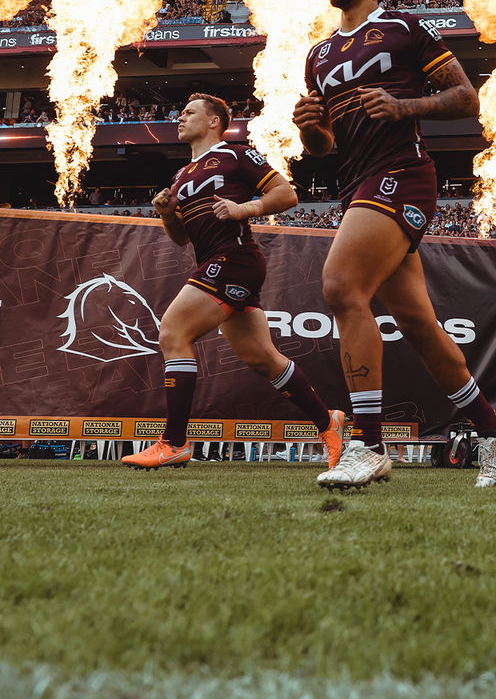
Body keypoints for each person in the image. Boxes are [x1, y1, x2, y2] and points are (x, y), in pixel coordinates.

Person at [295, 0, 496, 490]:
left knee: (341, 286)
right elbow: (326, 146)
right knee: (418, 324)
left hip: (402, 174)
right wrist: (308, 129)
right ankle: (492, 427)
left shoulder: (404, 29)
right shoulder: (318, 55)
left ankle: (368, 446)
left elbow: (466, 97)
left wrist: (405, 108)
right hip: (355, 185)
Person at [124, 94, 345, 469]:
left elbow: (286, 194)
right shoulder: (180, 176)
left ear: (214, 122)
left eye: (189, 112)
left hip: (234, 260)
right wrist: (166, 214)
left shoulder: (236, 153)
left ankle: (173, 442)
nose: (180, 117)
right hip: (218, 261)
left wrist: (245, 208)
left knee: (173, 333)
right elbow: (181, 239)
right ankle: (329, 423)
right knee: (264, 359)